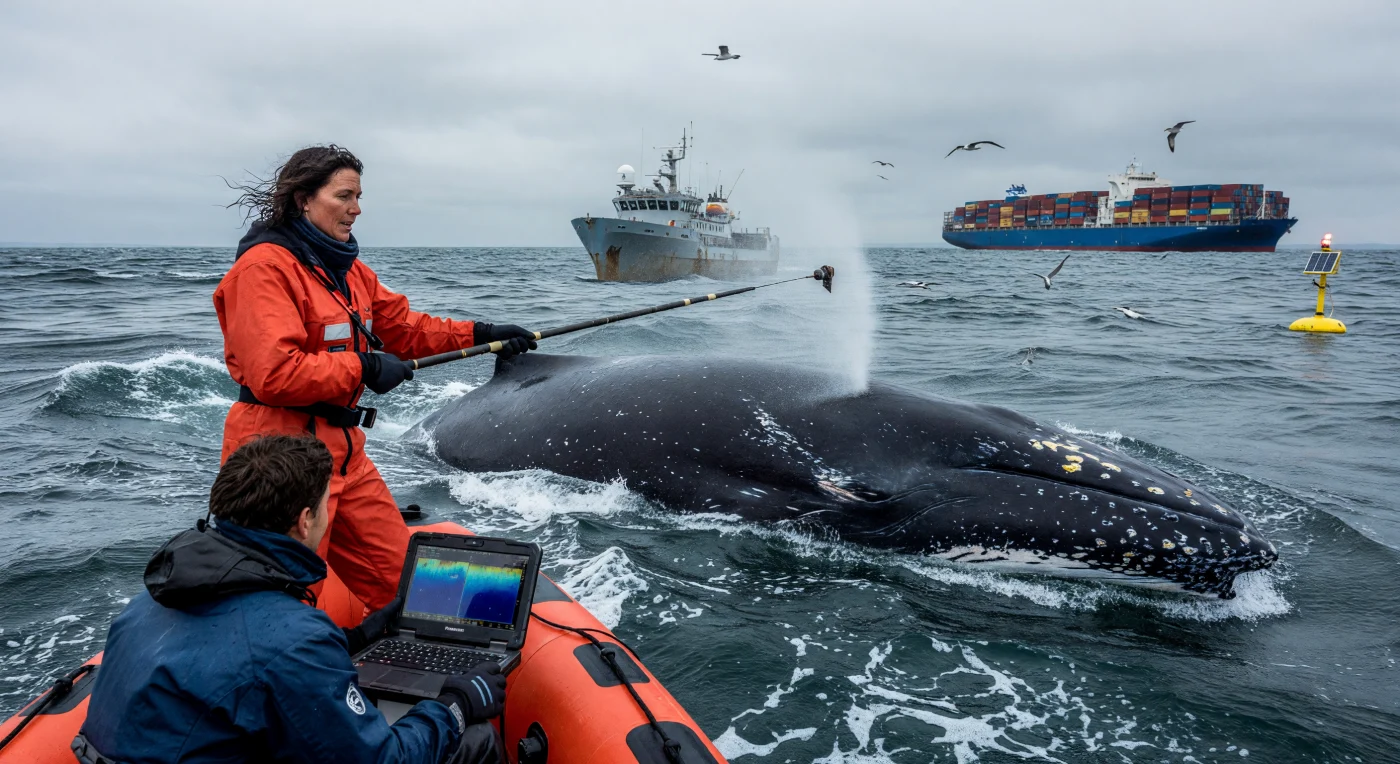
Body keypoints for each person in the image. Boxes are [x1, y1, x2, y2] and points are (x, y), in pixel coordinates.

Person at [215, 145, 536, 610]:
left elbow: (405, 328)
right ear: (304, 200)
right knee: (278, 597)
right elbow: (274, 373)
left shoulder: (349, 271)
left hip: (343, 451)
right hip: (276, 454)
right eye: (344, 196)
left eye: (359, 197)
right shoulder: (264, 268)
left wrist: (482, 333)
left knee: (402, 580)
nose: (356, 209)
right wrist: (365, 367)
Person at [74, 435, 507, 764]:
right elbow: (384, 758)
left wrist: (357, 638)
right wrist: (454, 705)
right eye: (327, 506)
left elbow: (239, 656)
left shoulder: (148, 601)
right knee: (476, 738)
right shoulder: (292, 638)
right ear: (304, 521)